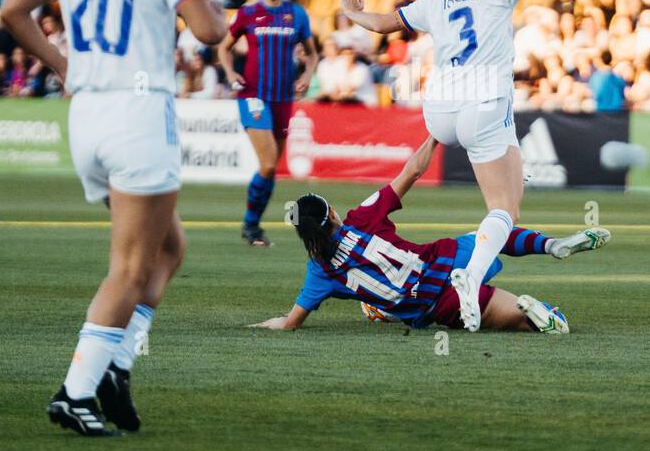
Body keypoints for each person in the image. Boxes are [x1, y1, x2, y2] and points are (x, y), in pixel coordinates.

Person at [0, 0, 228, 436]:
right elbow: (207, 31)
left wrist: (61, 64)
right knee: (129, 269)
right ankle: (75, 393)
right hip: (138, 115)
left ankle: (115, 366)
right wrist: (217, 12)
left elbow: (11, 11)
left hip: (88, 117)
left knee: (169, 248)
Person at [338, 0, 579, 332]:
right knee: (505, 209)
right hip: (482, 105)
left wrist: (353, 13)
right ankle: (469, 276)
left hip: (439, 112)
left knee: (508, 163)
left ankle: (512, 175)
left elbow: (382, 23)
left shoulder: (433, 1)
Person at [250, 137, 609, 333]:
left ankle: (535, 313)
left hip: (440, 306)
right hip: (447, 259)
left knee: (529, 323)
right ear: (330, 213)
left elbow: (289, 323)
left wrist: (263, 324)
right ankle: (550, 245)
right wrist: (437, 133)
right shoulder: (362, 217)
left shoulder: (320, 273)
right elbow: (412, 171)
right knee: (494, 229)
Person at [219, 0, 317, 247]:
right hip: (253, 95)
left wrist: (307, 76)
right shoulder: (248, 13)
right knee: (267, 161)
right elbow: (224, 46)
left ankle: (254, 227)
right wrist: (230, 73)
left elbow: (312, 55)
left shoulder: (297, 14)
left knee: (272, 166)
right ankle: (250, 225)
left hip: (283, 98)